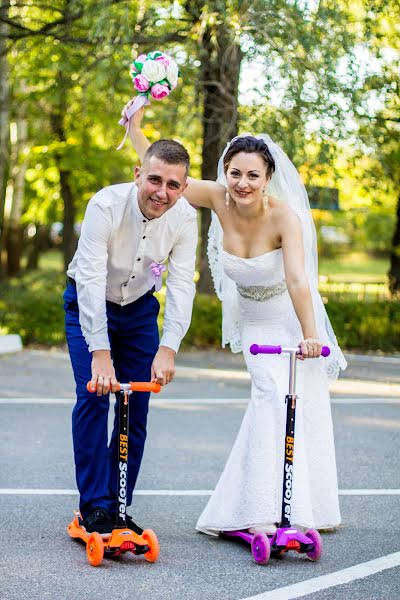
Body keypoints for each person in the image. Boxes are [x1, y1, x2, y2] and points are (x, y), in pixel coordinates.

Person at [126, 104, 347, 535]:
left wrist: (311, 337)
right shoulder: (218, 200)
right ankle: (255, 508)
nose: (242, 183)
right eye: (235, 173)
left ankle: (301, 507)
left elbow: (300, 281)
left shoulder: (285, 217)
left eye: (252, 175)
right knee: (269, 395)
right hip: (254, 323)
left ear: (267, 179)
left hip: (289, 318)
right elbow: (164, 177)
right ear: (225, 173)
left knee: (295, 404)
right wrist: (134, 128)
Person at [64, 138, 198, 537]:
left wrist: (168, 347)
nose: (162, 192)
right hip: (88, 303)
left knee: (135, 406)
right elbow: (88, 278)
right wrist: (99, 352)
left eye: (173, 185)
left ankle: (119, 506)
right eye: (155, 179)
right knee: (93, 397)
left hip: (139, 310)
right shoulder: (104, 205)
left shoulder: (186, 218)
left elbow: (182, 285)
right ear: (138, 174)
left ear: (184, 188)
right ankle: (94, 508)